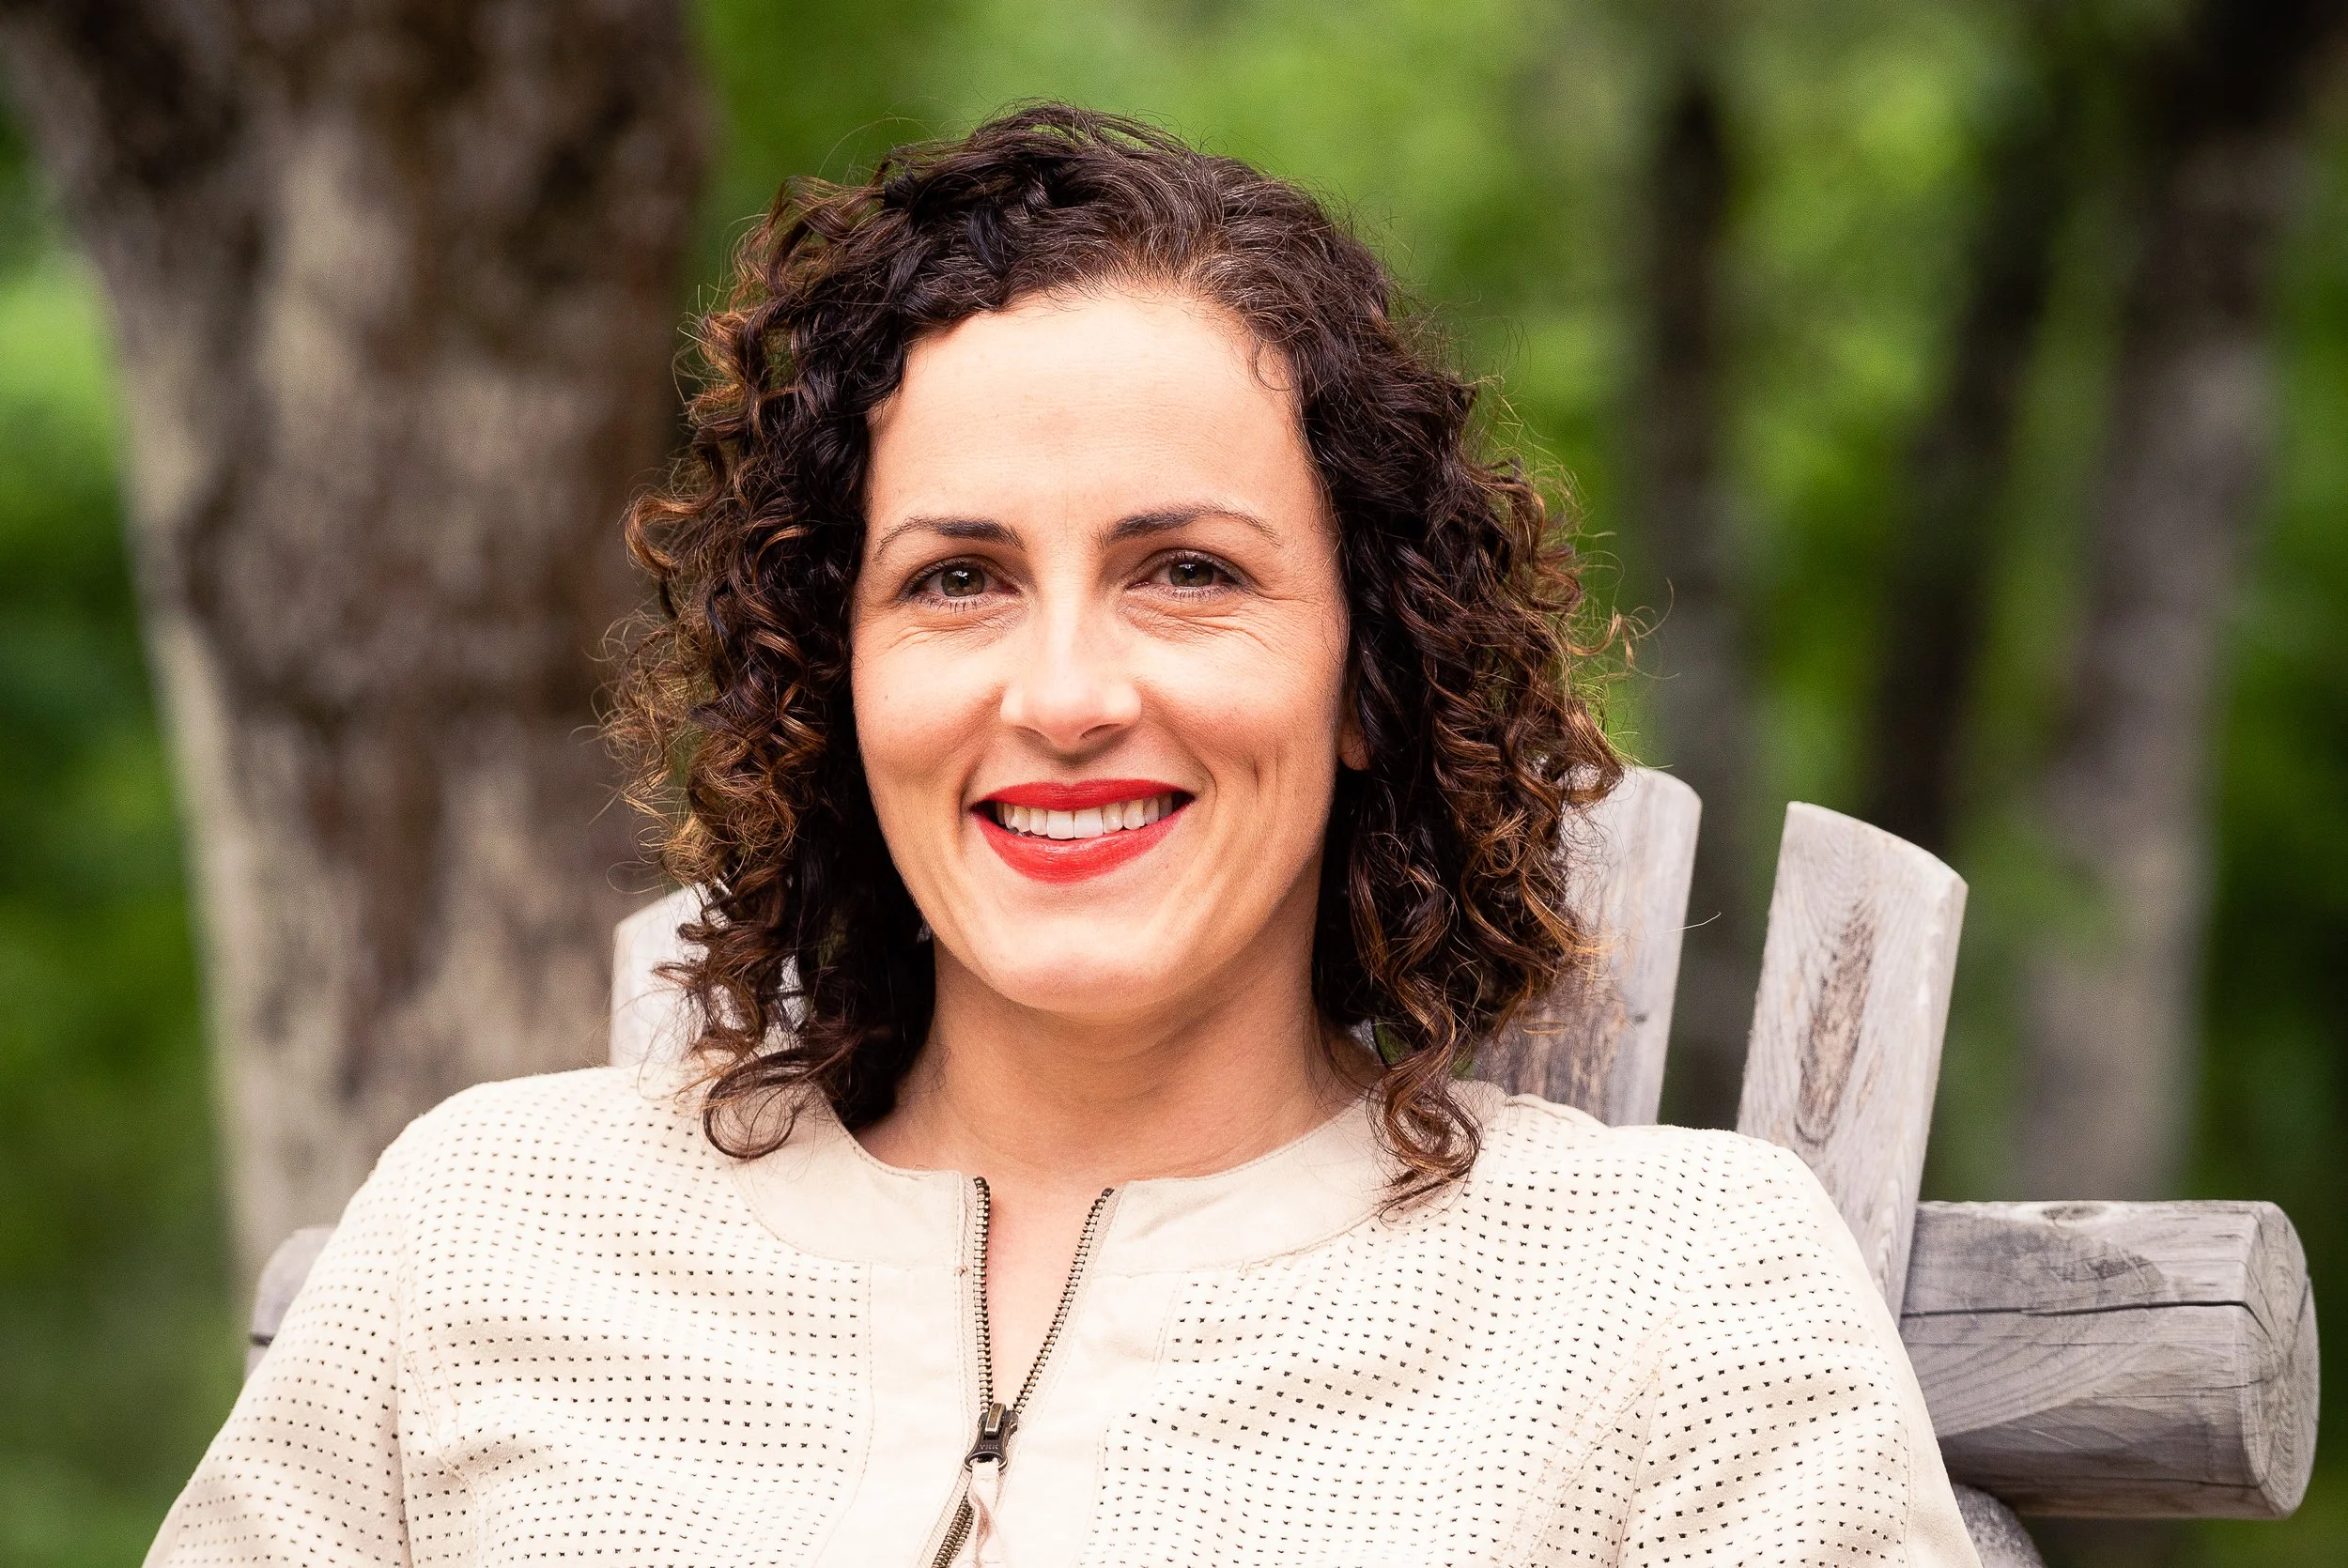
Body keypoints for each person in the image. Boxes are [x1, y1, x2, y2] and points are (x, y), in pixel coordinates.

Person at [147, 106, 1978, 1567]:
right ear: (831, 676)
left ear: (1367, 672)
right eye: (955, 580)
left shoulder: (1663, 1296)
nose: (1065, 688)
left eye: (1185, 572)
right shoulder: (490, 1230)